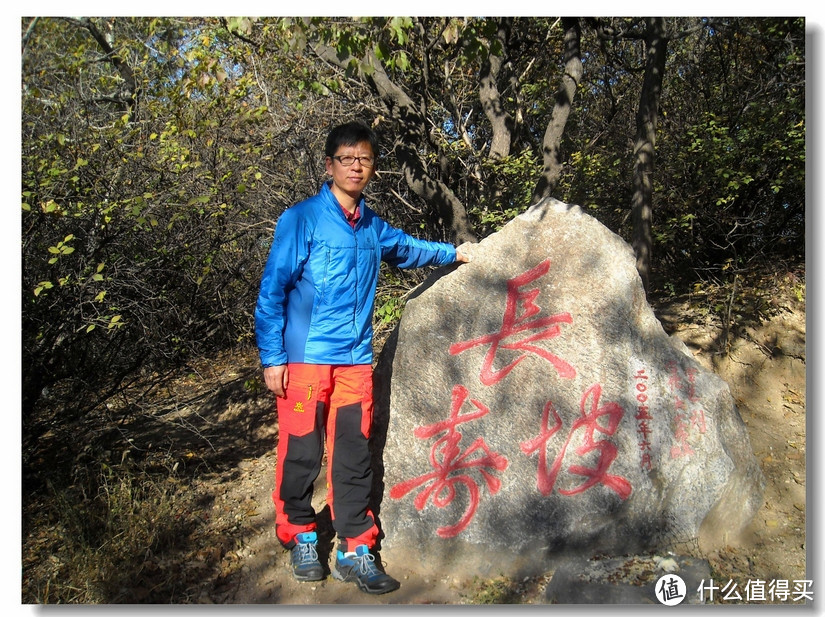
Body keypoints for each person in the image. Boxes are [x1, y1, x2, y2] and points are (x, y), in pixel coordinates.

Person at [254, 121, 470, 595]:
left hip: (354, 361)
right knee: (301, 453)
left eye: (365, 159)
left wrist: (454, 252)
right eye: (347, 158)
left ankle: (357, 547)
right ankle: (301, 534)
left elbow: (408, 249)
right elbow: (272, 291)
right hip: (306, 360)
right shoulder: (302, 219)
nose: (356, 166)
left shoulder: (372, 226)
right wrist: (272, 357)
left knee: (353, 456)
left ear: (373, 167)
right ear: (330, 165)